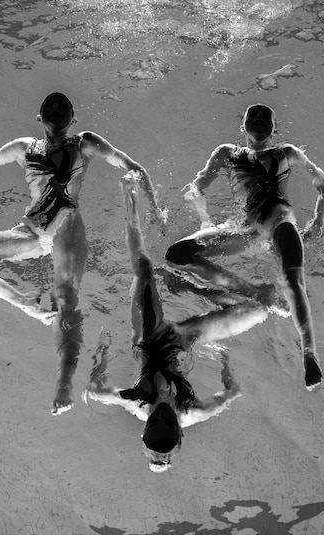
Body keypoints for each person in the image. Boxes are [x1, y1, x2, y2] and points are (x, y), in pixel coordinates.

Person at [0, 92, 165, 414]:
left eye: (63, 105)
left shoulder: (84, 143)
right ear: (38, 117)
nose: (56, 109)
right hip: (31, 232)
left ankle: (64, 382)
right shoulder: (23, 149)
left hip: (67, 227)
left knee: (65, 298)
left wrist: (155, 207)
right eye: (49, 105)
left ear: (73, 119)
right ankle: (22, 302)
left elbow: (132, 166)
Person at [83, 173, 269, 472]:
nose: (163, 413)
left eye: (154, 420)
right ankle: (189, 287)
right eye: (169, 421)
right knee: (258, 309)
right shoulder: (195, 412)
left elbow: (93, 390)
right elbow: (233, 392)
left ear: (144, 429)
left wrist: (102, 355)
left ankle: (129, 199)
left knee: (143, 268)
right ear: (180, 431)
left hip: (150, 337)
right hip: (185, 339)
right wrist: (224, 360)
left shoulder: (135, 404)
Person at [164, 104, 324, 391]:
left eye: (264, 116)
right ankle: (254, 292)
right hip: (242, 229)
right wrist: (204, 218)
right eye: (252, 116)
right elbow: (196, 188)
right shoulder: (226, 153)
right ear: (242, 126)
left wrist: (317, 223)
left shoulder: (287, 153)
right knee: (177, 255)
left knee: (293, 280)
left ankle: (309, 354)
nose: (258, 119)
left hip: (278, 220)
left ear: (274, 128)